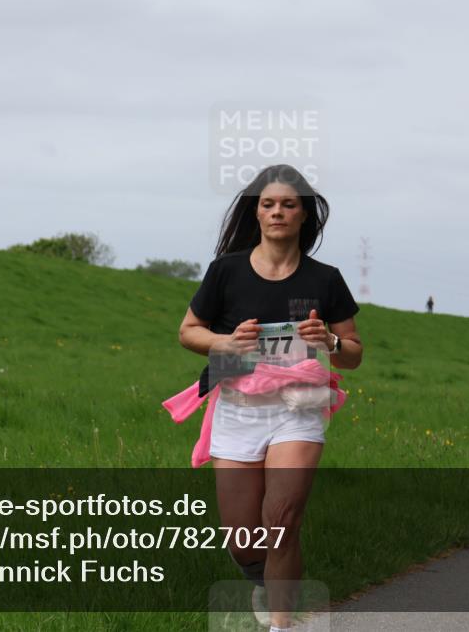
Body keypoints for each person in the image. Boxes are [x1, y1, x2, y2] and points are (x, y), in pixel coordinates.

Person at [177, 164, 363, 632]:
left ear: (304, 215)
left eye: (288, 204)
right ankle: (266, 582)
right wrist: (225, 343)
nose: (278, 211)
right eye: (268, 204)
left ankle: (281, 624)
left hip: (297, 408)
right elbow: (187, 333)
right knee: (243, 541)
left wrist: (331, 343)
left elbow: (353, 354)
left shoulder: (326, 279)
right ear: (256, 213)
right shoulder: (226, 272)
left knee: (281, 520)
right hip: (237, 407)